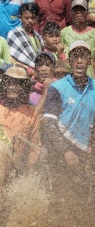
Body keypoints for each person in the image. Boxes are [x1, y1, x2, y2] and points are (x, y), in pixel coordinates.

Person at [41, 41, 95, 194]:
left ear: (89, 62)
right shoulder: (57, 88)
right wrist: (66, 152)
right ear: (69, 61)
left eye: (83, 57)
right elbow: (49, 124)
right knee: (60, 200)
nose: (79, 61)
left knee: (83, 201)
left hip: (85, 154)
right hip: (58, 153)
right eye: (75, 57)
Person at [0, 65, 41, 169]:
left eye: (18, 83)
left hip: (14, 168)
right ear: (3, 85)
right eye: (9, 83)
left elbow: (34, 147)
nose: (12, 87)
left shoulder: (30, 112)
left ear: (24, 87)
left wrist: (30, 170)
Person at [60, 0, 95, 78]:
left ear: (87, 13)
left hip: (90, 79)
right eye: (75, 9)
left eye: (82, 9)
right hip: (69, 80)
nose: (78, 12)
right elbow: (58, 56)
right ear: (71, 13)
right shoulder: (64, 33)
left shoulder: (94, 33)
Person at [7, 3, 44, 74]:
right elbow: (11, 57)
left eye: (33, 18)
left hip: (37, 72)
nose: (30, 20)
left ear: (36, 19)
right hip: (21, 72)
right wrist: (27, 68)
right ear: (20, 18)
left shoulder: (38, 36)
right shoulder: (14, 34)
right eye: (27, 18)